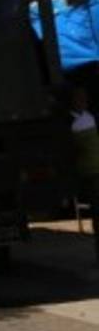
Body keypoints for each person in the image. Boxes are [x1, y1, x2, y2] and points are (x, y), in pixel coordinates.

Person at [70, 86, 99, 263]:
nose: (83, 101)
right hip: (90, 174)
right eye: (79, 98)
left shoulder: (89, 118)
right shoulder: (73, 122)